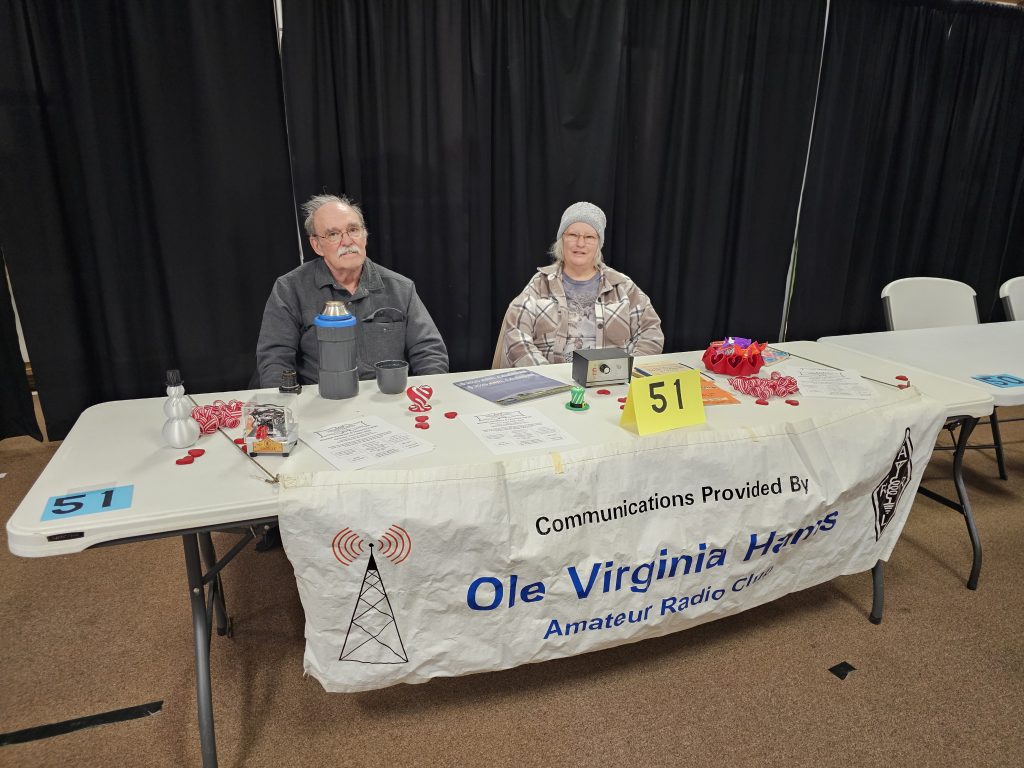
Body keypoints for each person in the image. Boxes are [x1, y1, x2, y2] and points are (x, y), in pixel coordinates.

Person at [256, 194, 449, 387]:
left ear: (364, 236)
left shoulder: (402, 288)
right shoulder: (289, 288)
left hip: (387, 397)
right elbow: (275, 359)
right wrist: (286, 402)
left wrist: (427, 394)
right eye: (333, 234)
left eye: (353, 230)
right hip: (321, 398)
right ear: (317, 245)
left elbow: (429, 351)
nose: (347, 242)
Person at [499, 201, 663, 367]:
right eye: (573, 235)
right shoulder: (539, 284)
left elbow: (651, 333)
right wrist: (546, 375)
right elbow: (515, 336)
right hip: (551, 379)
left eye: (589, 237)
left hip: (612, 379)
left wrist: (625, 370)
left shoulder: (622, 286)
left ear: (599, 243)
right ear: (562, 240)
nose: (580, 243)